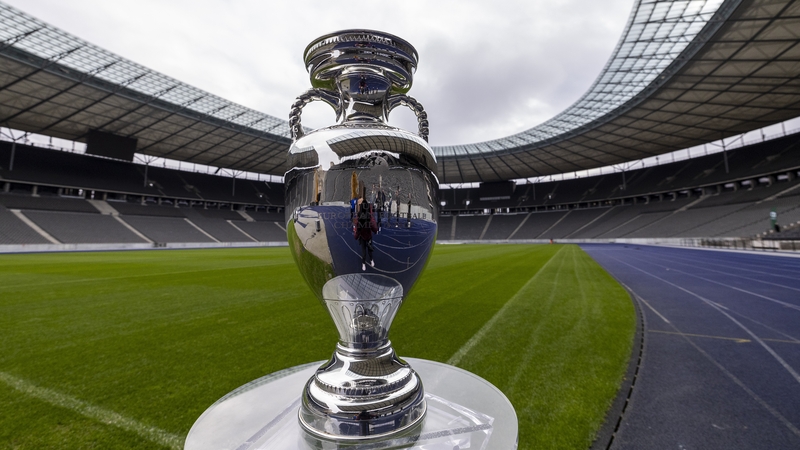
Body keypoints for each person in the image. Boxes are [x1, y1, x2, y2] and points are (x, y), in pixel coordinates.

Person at [354, 200, 378, 270]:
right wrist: (356, 235)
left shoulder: (369, 218)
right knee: (364, 252)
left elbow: (374, 227)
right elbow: (357, 230)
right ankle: (363, 263)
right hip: (363, 237)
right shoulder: (360, 219)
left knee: (369, 251)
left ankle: (371, 260)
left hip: (369, 236)